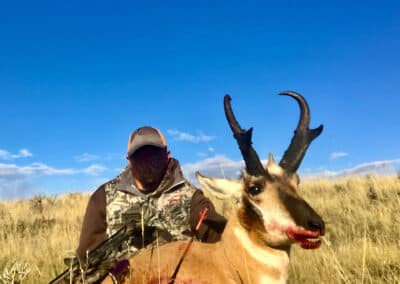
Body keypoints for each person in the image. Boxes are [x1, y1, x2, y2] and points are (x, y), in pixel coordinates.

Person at [76, 126, 227, 267]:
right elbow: (86, 262)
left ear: (167, 155)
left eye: (154, 154)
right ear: (129, 160)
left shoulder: (192, 198)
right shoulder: (103, 197)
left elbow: (223, 244)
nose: (148, 161)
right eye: (140, 156)